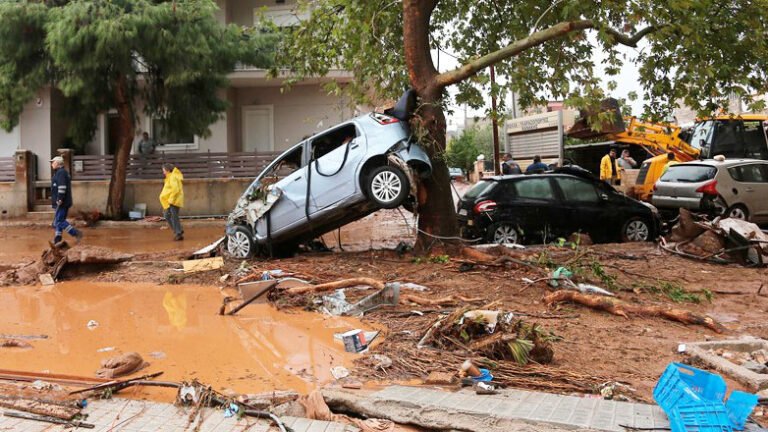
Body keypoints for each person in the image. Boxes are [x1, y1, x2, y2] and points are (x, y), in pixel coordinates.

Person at [50, 156, 83, 245]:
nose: (51, 164)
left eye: (53, 162)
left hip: (62, 202)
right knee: (58, 220)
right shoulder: (59, 172)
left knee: (60, 220)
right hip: (61, 201)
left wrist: (60, 198)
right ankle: (57, 238)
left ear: (57, 163)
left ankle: (76, 233)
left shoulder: (61, 173)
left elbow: (62, 187)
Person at [159, 163, 184, 241]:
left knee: (172, 216)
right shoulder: (170, 177)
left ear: (167, 170)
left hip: (173, 201)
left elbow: (175, 189)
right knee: (168, 215)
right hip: (171, 200)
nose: (163, 172)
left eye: (163, 170)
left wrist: (171, 200)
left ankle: (178, 232)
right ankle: (178, 230)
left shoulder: (172, 177)